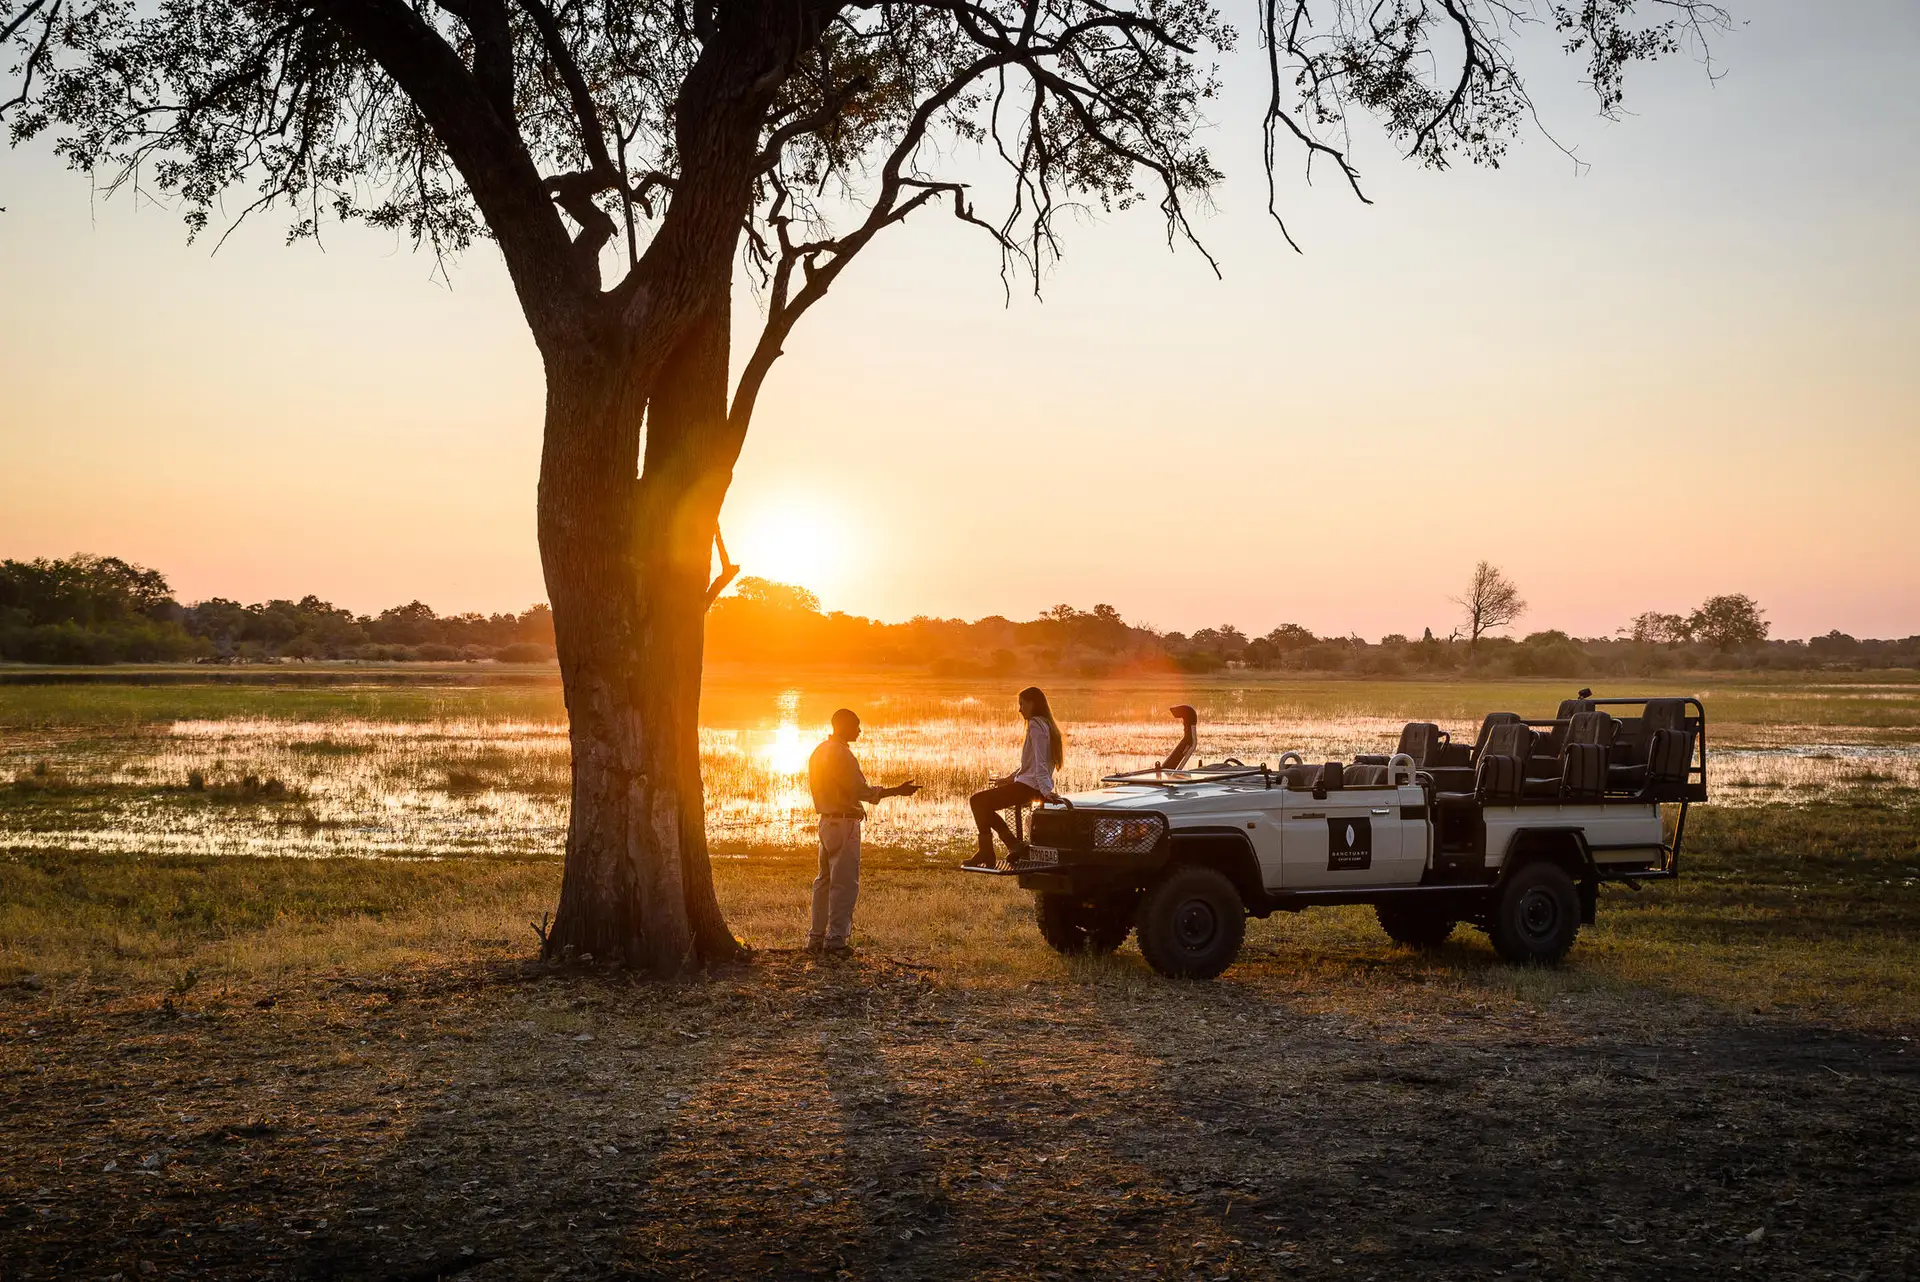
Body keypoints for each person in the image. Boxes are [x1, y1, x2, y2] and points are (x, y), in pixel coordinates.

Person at [805, 708, 919, 957]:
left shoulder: (819, 751)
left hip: (826, 822)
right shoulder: (841, 754)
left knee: (823, 882)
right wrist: (896, 791)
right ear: (843, 725)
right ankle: (836, 940)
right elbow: (860, 791)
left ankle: (815, 937)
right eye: (856, 725)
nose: (859, 730)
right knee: (844, 884)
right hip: (844, 823)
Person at [964, 686, 1064, 869]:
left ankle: (997, 849)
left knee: (978, 802)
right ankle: (1008, 846)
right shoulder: (1046, 724)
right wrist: (1011, 779)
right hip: (1030, 784)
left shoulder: (1035, 725)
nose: (1020, 709)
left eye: (1022, 704)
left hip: (1030, 787)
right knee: (981, 805)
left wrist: (1045, 791)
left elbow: (1041, 763)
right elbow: (1032, 762)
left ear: (1033, 704)